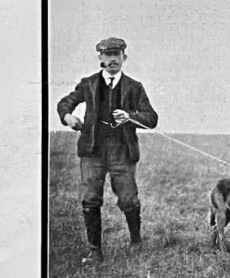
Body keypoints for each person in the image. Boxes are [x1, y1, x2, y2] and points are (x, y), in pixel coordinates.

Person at [56, 37, 159, 264]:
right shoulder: (88, 83)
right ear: (100, 58)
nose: (113, 59)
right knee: (90, 199)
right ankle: (95, 252)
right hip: (92, 150)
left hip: (122, 151)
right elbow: (65, 102)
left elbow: (151, 119)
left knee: (128, 199)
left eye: (117, 55)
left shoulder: (134, 87)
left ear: (124, 57)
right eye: (108, 55)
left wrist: (130, 116)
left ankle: (136, 241)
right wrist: (68, 117)